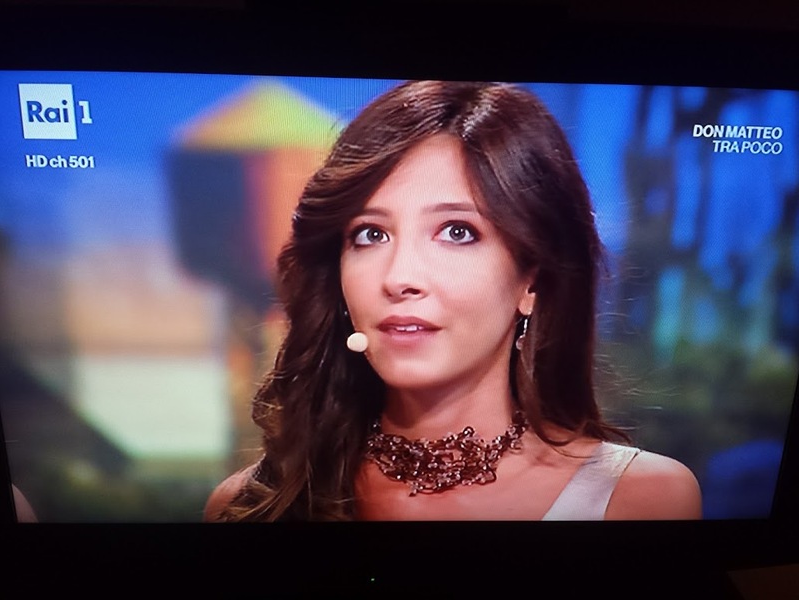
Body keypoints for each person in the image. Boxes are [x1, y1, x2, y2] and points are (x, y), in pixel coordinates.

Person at [205, 80, 701, 521]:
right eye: (370, 234)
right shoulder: (253, 505)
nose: (399, 278)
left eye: (457, 231)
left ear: (532, 280)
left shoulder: (640, 499)